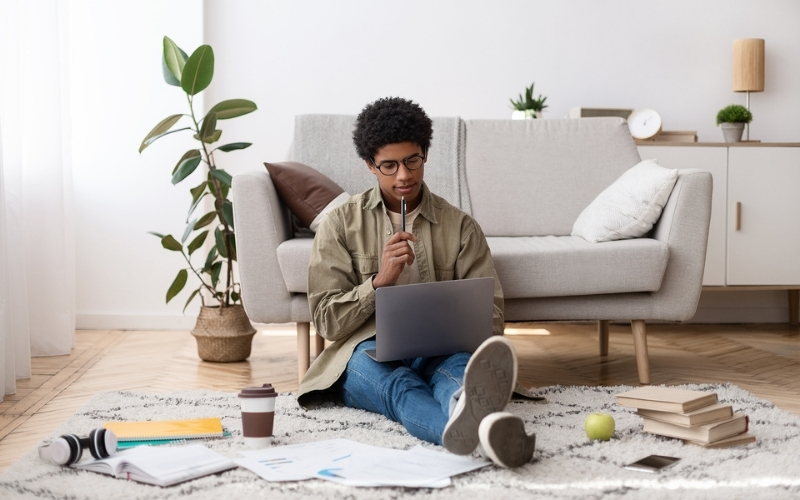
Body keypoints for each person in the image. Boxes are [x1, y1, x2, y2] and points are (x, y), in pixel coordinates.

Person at [297, 97, 535, 468]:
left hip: (440, 348)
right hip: (364, 351)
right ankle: (484, 433)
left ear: (425, 154)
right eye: (389, 166)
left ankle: (465, 408)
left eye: (412, 161)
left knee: (458, 377)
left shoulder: (460, 227)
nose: (403, 176)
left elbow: (491, 314)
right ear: (370, 165)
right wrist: (378, 282)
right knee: (399, 387)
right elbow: (327, 321)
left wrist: (460, 328)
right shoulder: (340, 223)